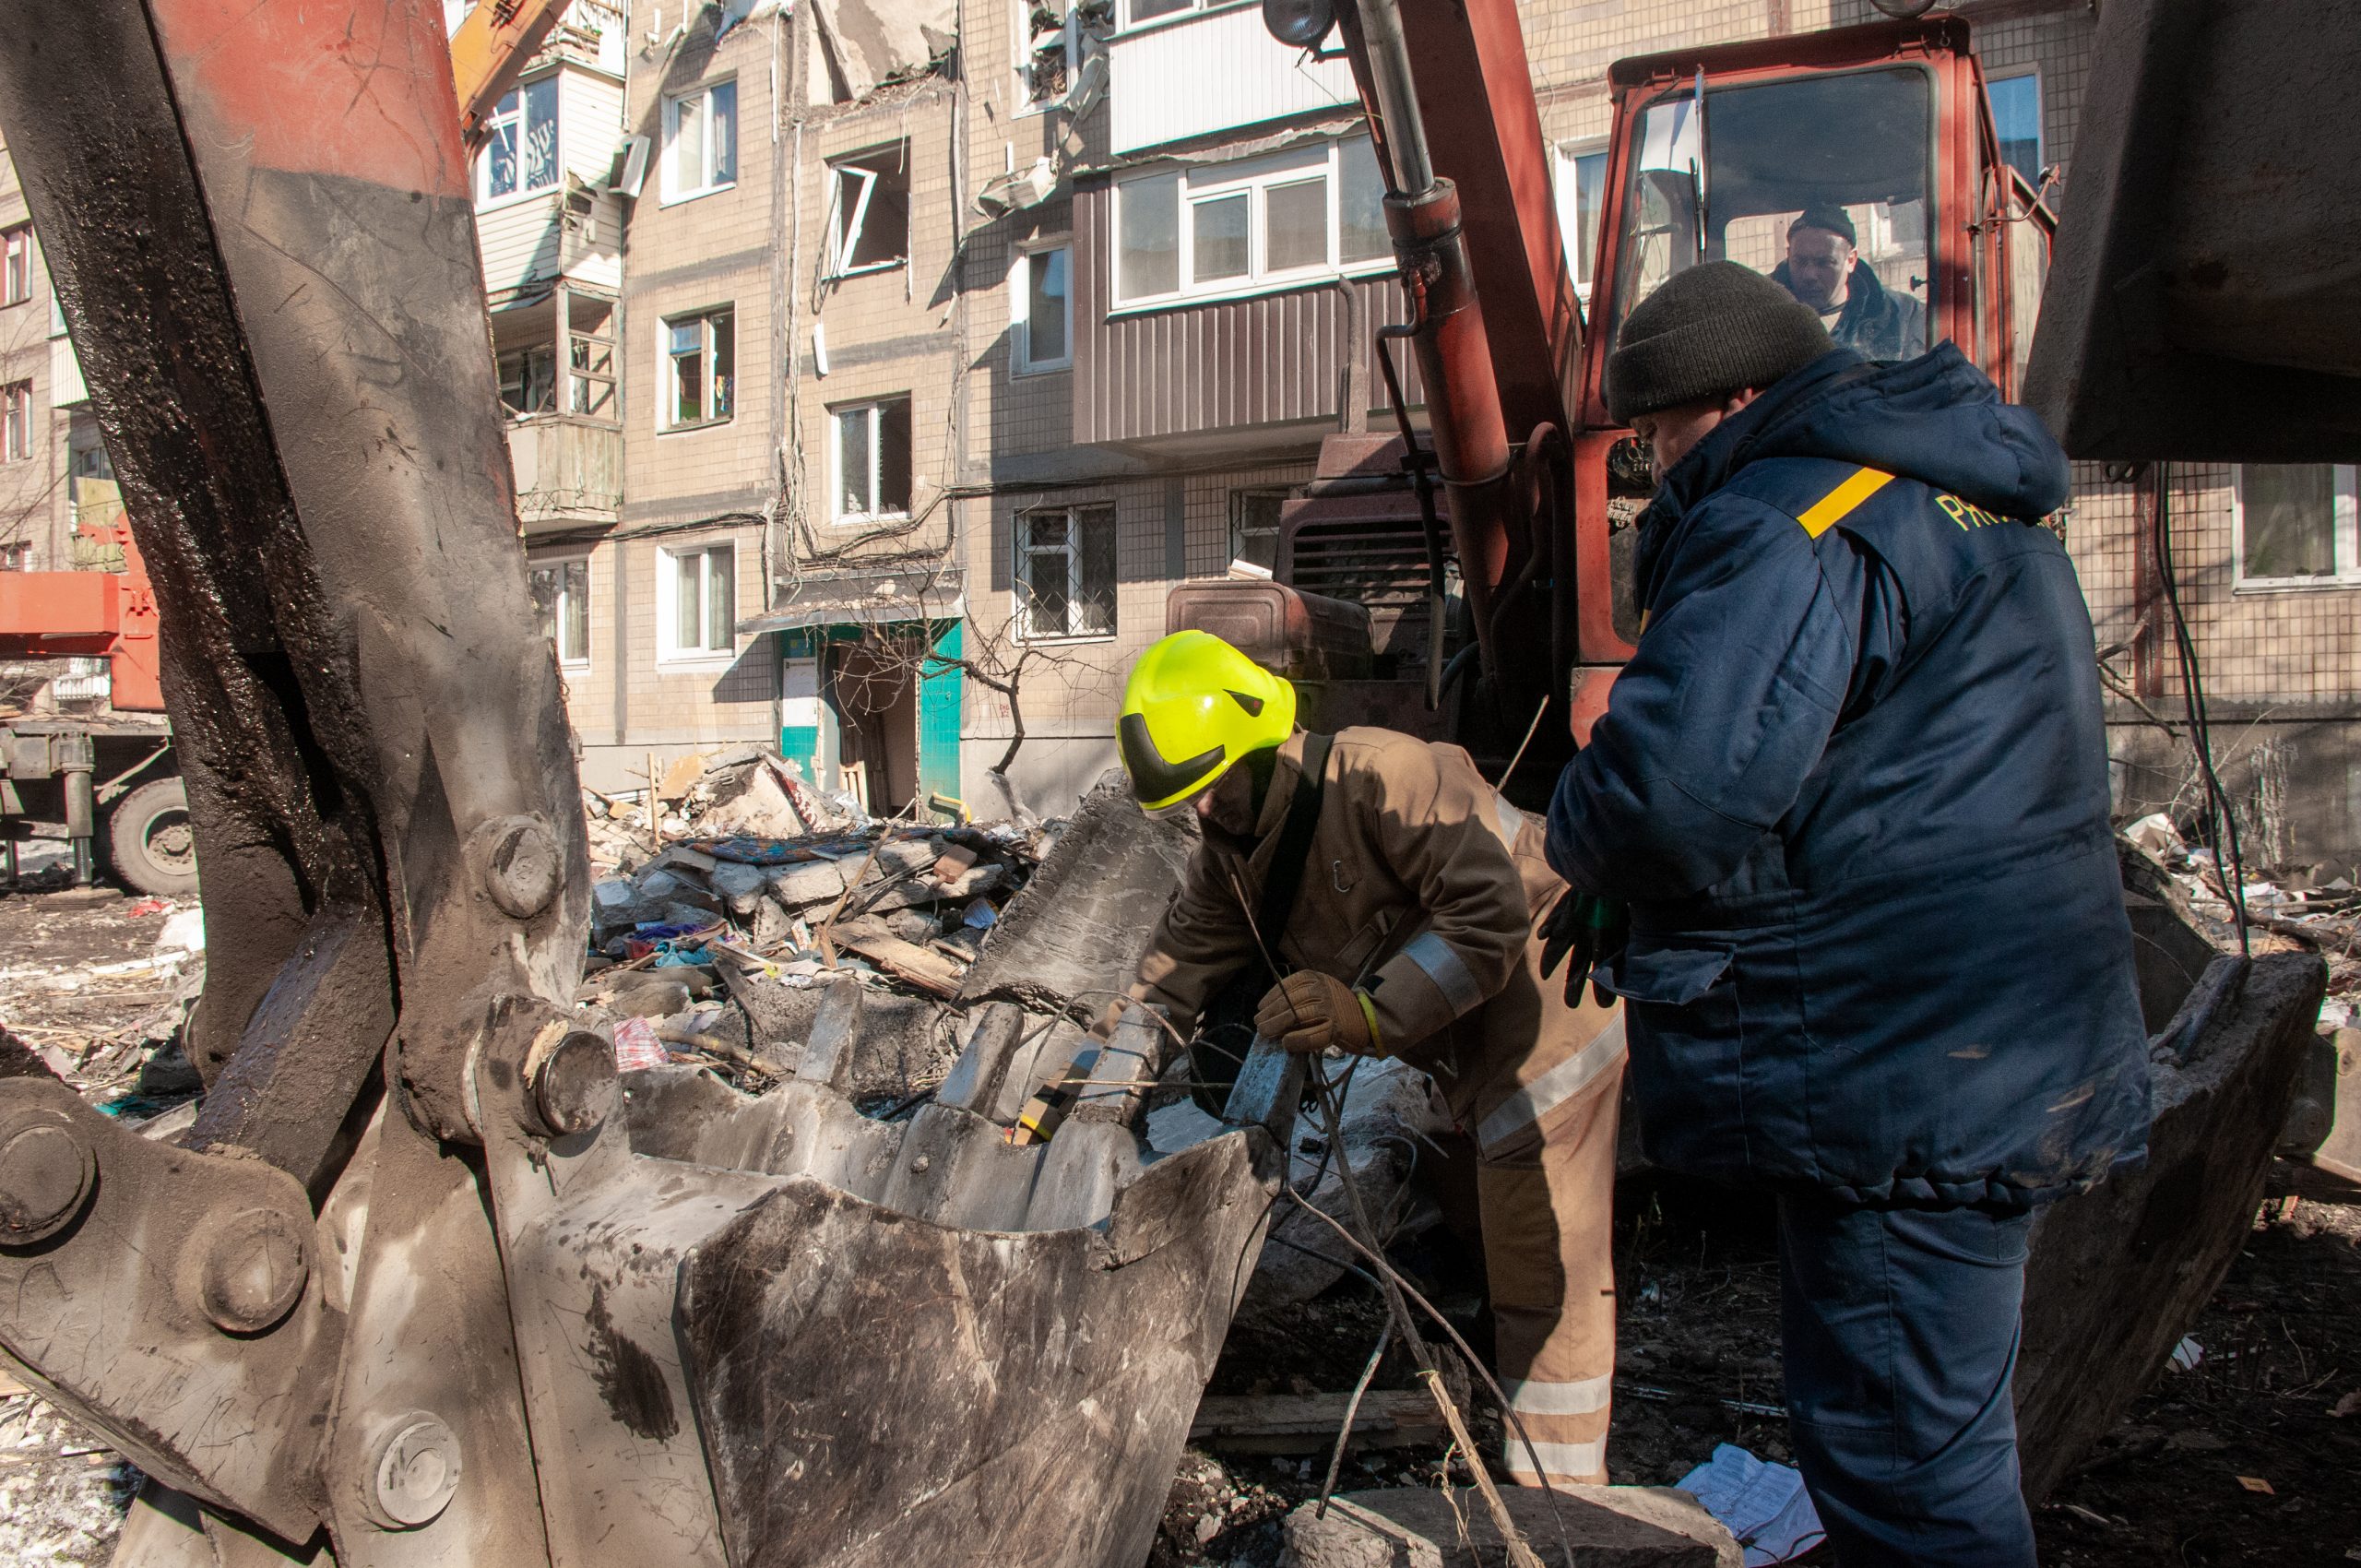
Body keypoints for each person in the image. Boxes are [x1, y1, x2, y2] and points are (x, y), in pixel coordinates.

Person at [1545, 261, 2149, 1566]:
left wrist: (1585, 840)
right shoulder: (1967, 497)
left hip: (1896, 1058)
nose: (1652, 461)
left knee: (1903, 1473)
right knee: (1938, 1432)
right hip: (2012, 1025)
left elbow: (1670, 791)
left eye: (1660, 429)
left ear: (1739, 396)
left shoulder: (1784, 517)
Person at [1115, 629, 1627, 1489]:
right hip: (1455, 1053)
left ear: (1263, 747)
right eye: (1188, 800)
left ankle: (1561, 1500)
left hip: (1547, 1024)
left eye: (1213, 788)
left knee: (1542, 1264)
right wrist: (1087, 1088)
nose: (1204, 814)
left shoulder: (1385, 775)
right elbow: (1165, 984)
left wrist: (1368, 1012)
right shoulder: (1231, 859)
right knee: (1479, 1235)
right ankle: (1500, 1400)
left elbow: (1488, 921)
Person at [1771, 206, 1925, 361]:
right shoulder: (1760, 314)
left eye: (1825, 262)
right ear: (1788, 255)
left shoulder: (1904, 317)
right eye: (1800, 261)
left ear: (1851, 260)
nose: (1810, 275)